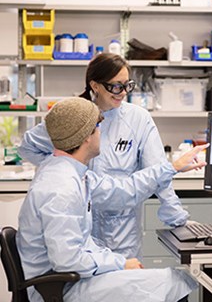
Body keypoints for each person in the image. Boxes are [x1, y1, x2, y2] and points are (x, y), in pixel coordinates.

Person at [16, 98, 201, 302]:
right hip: (58, 289)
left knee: (166, 281)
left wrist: (172, 168)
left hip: (71, 279)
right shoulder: (61, 189)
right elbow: (67, 260)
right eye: (97, 128)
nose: (101, 133)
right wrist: (120, 263)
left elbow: (122, 190)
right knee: (169, 283)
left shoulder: (70, 172)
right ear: (86, 137)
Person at [18, 53, 192, 259]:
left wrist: (177, 218)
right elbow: (28, 148)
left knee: (122, 281)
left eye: (127, 85)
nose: (123, 92)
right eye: (116, 86)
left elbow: (157, 172)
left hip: (121, 232)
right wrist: (67, 172)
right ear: (95, 85)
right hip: (80, 230)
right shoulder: (72, 117)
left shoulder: (137, 119)